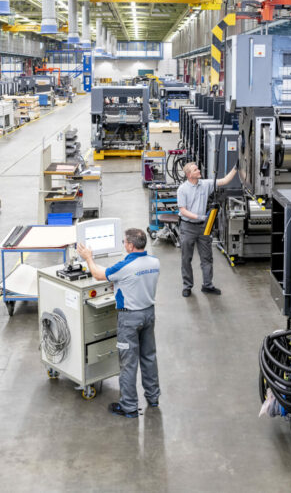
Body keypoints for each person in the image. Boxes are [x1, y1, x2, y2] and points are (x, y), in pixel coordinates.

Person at [76, 227, 160, 419]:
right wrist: (121, 284)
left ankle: (129, 407)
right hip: (148, 314)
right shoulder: (155, 262)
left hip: (129, 318)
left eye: (124, 242)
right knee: (149, 357)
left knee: (128, 363)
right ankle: (153, 397)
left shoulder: (125, 267)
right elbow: (137, 280)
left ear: (130, 245)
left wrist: (88, 257)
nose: (123, 245)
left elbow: (98, 274)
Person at [177, 161, 237, 298]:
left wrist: (236, 167)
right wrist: (199, 217)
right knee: (186, 258)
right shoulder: (182, 189)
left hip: (204, 226)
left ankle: (207, 285)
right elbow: (183, 210)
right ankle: (187, 286)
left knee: (207, 257)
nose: (199, 170)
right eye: (195, 169)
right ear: (189, 174)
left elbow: (224, 181)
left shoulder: (205, 184)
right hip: (188, 227)